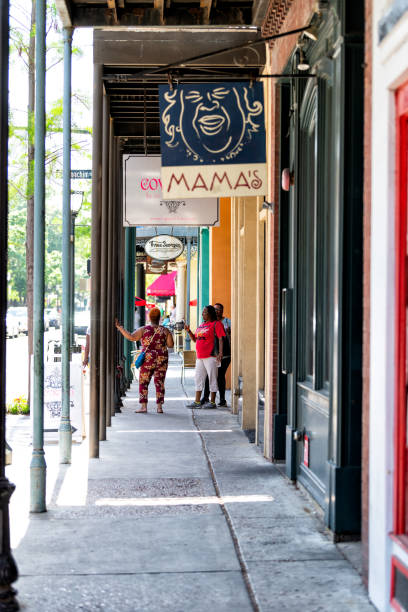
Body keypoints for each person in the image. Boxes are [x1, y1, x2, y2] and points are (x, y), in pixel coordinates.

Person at [115, 307, 174, 413]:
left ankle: (144, 407)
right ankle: (159, 407)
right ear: (159, 318)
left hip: (148, 360)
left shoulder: (144, 329)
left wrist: (120, 328)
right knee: (160, 382)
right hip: (162, 359)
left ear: (149, 318)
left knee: (144, 382)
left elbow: (131, 337)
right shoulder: (165, 330)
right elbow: (170, 345)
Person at [184, 305, 225, 409]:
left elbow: (220, 339)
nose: (203, 314)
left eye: (205, 312)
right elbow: (195, 339)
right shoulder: (201, 325)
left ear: (210, 313)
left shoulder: (216, 324)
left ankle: (212, 402)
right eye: (202, 312)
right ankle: (197, 401)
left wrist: (220, 353)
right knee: (198, 378)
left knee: (212, 378)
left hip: (211, 355)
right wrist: (188, 331)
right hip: (200, 356)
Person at [202, 303, 231, 407]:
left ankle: (222, 399)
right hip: (211, 353)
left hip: (225, 354)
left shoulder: (227, 321)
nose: (217, 311)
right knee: (208, 375)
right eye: (215, 309)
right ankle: (205, 397)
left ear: (222, 311)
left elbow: (232, 336)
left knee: (220, 376)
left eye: (219, 309)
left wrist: (229, 332)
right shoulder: (207, 322)